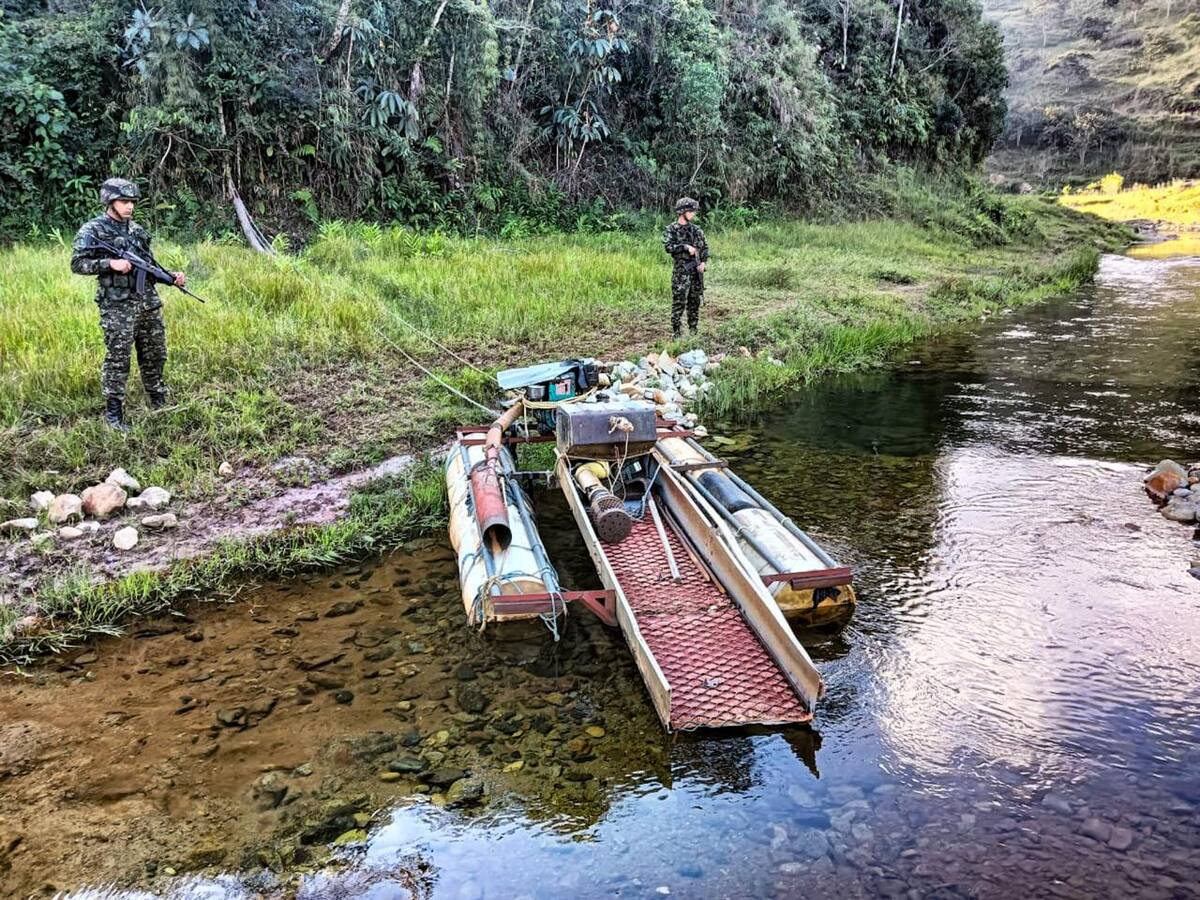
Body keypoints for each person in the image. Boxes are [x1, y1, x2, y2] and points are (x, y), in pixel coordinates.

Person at [70, 178, 186, 431]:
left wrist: (171, 277)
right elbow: (77, 263)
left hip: (147, 303)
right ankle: (114, 414)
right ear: (110, 202)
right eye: (124, 201)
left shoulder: (137, 231)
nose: (129, 206)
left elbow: (149, 266)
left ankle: (158, 400)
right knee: (118, 358)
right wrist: (109, 264)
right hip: (117, 307)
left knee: (155, 353)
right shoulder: (93, 230)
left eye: (132, 202)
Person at [662, 197, 709, 338]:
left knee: (694, 303)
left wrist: (703, 263)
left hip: (696, 271)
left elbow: (705, 248)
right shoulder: (671, 230)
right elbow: (668, 247)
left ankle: (693, 332)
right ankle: (677, 334)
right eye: (691, 211)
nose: (693, 214)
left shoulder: (696, 231)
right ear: (682, 212)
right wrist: (685, 247)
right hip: (681, 272)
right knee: (679, 303)